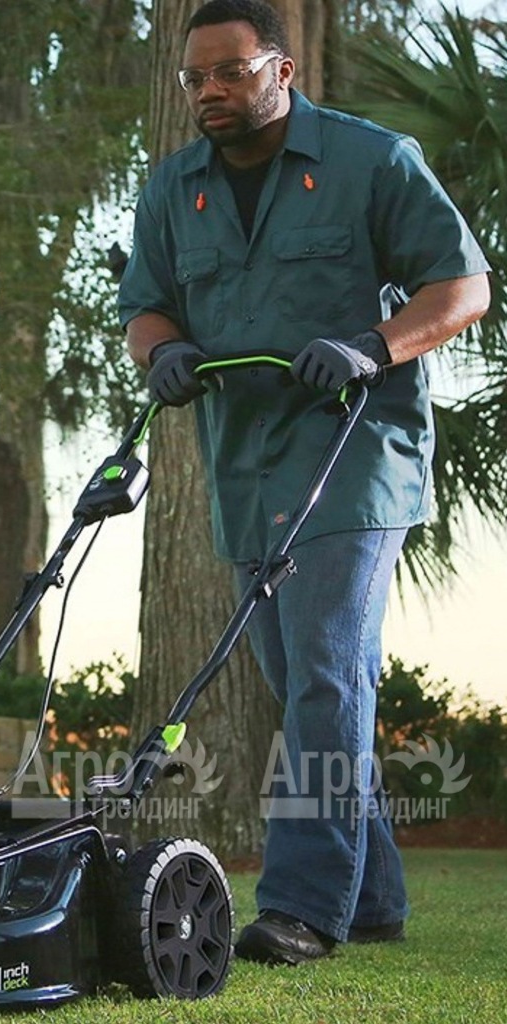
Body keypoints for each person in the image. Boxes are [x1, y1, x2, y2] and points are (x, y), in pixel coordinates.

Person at [118, 0, 490, 966]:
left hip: (352, 458)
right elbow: (146, 307)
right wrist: (162, 352)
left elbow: (462, 286)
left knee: (325, 671)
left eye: (230, 71)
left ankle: (303, 907)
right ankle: (375, 902)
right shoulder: (174, 189)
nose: (209, 90)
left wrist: (375, 346)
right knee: (307, 684)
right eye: (195, 77)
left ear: (281, 70)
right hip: (244, 467)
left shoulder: (373, 160)